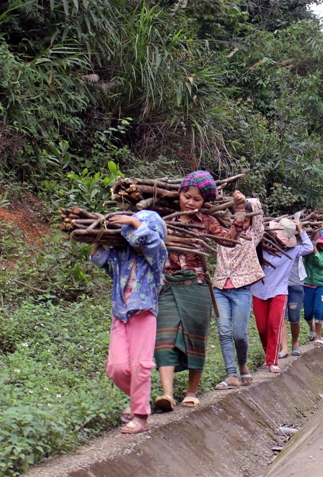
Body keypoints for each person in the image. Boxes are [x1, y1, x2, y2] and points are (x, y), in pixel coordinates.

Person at [154, 171, 246, 411]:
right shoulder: (164, 218)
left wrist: (240, 213)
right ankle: (167, 394)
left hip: (196, 288)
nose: (191, 202)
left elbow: (227, 240)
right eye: (187, 196)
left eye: (196, 199)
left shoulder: (206, 221)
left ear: (204, 202)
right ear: (179, 194)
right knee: (164, 340)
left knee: (195, 340)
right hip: (168, 287)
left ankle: (191, 392)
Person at [89, 210, 167, 434]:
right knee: (116, 367)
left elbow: (153, 243)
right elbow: (101, 259)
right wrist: (97, 237)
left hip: (144, 313)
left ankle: (141, 416)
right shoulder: (121, 254)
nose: (136, 239)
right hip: (121, 314)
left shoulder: (157, 257)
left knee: (139, 366)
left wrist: (134, 221)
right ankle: (139, 400)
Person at [212, 199, 264, 390]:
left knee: (239, 334)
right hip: (219, 289)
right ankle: (231, 374)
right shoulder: (221, 235)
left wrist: (243, 202)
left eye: (244, 219)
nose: (241, 223)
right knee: (224, 332)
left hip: (242, 289)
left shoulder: (254, 234)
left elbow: (257, 211)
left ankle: (242, 363)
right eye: (237, 218)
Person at [252, 219, 313, 373]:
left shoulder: (292, 251)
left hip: (279, 292)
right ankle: (268, 354)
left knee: (274, 325)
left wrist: (301, 230)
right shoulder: (262, 247)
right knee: (262, 328)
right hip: (258, 291)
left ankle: (272, 360)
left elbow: (309, 247)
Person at [303, 230, 323, 345]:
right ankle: (312, 328)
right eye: (320, 242)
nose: (322, 244)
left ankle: (318, 336)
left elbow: (321, 263)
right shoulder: (309, 251)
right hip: (307, 284)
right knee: (307, 313)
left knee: (319, 310)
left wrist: (315, 251)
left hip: (321, 285)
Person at [280, 256, 307, 357]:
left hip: (296, 284)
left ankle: (295, 342)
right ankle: (284, 347)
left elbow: (309, 246)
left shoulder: (299, 245)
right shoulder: (275, 244)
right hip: (279, 285)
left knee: (294, 318)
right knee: (282, 317)